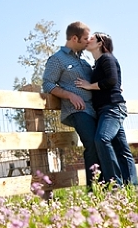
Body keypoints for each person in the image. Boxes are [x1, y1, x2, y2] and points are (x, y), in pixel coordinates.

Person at [75, 32, 138, 187]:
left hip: (112, 108)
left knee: (101, 139)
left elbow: (111, 80)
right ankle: (133, 186)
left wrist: (89, 86)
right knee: (121, 149)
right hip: (106, 109)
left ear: (99, 43)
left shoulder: (107, 58)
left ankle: (114, 185)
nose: (88, 40)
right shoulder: (98, 63)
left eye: (91, 38)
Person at [41, 21, 101, 189]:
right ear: (74, 38)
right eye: (84, 39)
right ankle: (93, 189)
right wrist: (69, 95)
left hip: (95, 109)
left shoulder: (84, 61)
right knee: (91, 144)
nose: (88, 42)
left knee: (102, 144)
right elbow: (47, 84)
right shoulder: (57, 59)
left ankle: (108, 185)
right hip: (77, 111)